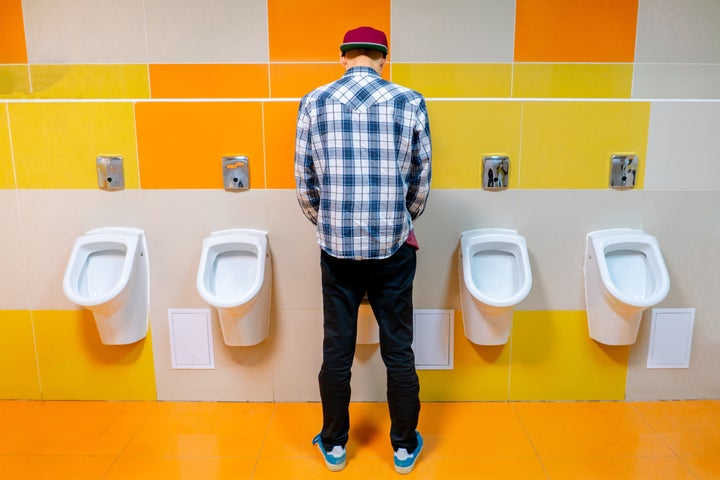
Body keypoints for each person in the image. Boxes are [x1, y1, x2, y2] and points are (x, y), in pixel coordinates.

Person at [294, 26, 432, 474]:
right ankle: (404, 446)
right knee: (399, 349)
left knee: (337, 348)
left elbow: (305, 184)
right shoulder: (409, 101)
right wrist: (399, 220)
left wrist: (330, 223)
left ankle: (334, 445)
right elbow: (420, 181)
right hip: (393, 249)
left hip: (336, 250)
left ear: (343, 57)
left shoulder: (313, 102)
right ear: (383, 58)